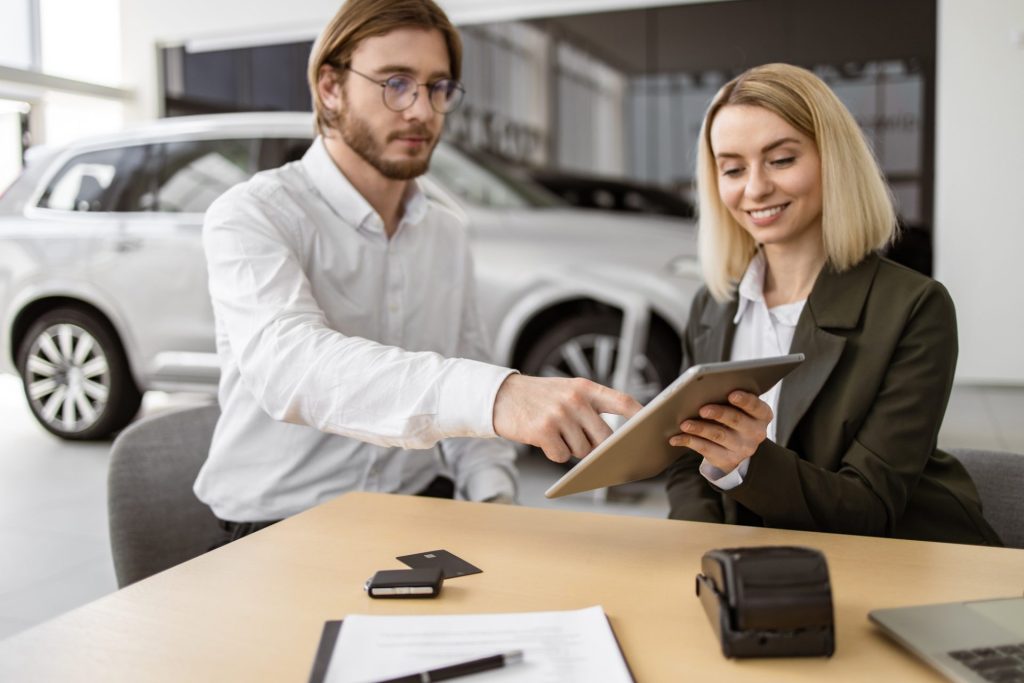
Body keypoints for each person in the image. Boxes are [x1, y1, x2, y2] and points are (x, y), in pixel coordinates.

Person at [195, 0, 641, 542]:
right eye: (396, 83)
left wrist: (495, 500)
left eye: (438, 87)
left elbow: (469, 379)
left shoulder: (445, 231)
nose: (422, 111)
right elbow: (291, 367)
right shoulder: (253, 213)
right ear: (331, 88)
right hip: (283, 522)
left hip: (420, 510)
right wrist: (498, 396)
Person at [664, 63, 1000, 546]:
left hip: (891, 561)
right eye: (733, 169)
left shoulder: (915, 308)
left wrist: (748, 461)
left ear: (833, 160)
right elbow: (686, 463)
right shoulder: (712, 306)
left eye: (781, 160)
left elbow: (869, 508)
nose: (755, 188)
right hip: (748, 565)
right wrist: (702, 554)